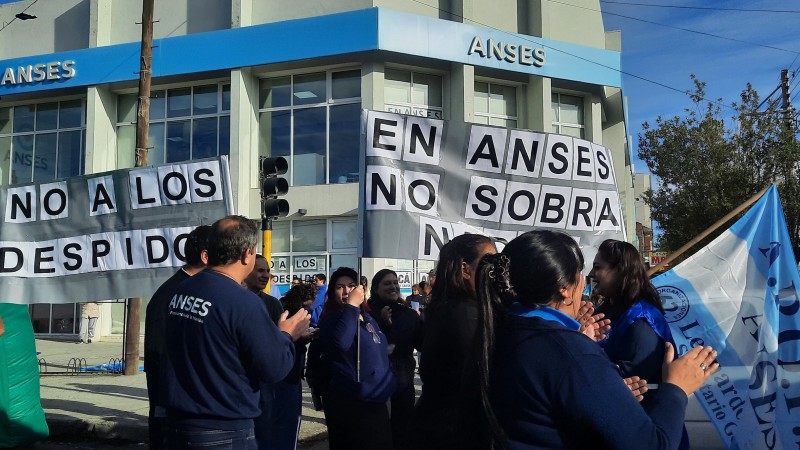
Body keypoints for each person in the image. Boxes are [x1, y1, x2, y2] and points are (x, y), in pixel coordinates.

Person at [475, 230, 718, 449]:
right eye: (582, 272)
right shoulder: (568, 351)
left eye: (597, 267)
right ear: (564, 287)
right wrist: (676, 387)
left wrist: (604, 389)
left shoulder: (497, 328)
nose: (588, 277)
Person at [161, 215, 310, 449]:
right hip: (224, 430)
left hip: (180, 424)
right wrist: (286, 335)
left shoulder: (182, 289)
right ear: (247, 254)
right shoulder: (244, 302)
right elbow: (274, 368)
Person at [589, 239, 690, 448]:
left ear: (620, 270)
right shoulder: (606, 311)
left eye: (598, 267)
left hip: (645, 429)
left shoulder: (642, 321)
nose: (591, 274)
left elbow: (635, 381)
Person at [411, 233, 496, 449]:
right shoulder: (465, 314)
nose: (496, 270)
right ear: (465, 269)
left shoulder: (454, 307)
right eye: (489, 262)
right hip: (454, 431)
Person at [145, 225, 210, 450]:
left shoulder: (194, 289)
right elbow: (159, 355)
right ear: (205, 256)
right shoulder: (175, 294)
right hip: (173, 410)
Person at [318, 267, 394, 450]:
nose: (346, 291)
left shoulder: (367, 317)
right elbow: (342, 342)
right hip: (352, 403)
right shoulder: (332, 319)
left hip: (377, 400)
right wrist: (352, 306)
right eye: (340, 287)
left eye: (351, 286)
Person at [257, 283, 318, 450]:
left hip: (290, 375)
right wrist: (298, 338)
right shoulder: (281, 311)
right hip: (284, 376)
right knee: (284, 425)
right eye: (309, 302)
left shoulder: (278, 304)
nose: (311, 306)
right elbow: (280, 341)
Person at [368, 269, 421, 449]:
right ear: (375, 288)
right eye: (387, 283)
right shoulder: (366, 313)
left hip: (402, 385)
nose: (393, 286)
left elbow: (422, 343)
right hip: (374, 386)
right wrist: (382, 323)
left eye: (395, 282)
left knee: (402, 432)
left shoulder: (408, 315)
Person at [245, 254, 283, 324]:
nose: (266, 275)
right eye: (261, 271)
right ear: (247, 272)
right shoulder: (234, 301)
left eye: (268, 271)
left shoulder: (273, 304)